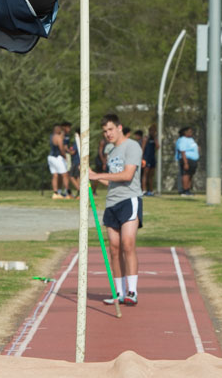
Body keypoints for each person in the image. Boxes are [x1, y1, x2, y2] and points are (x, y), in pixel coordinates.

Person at [89, 113, 144, 307]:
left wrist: (98, 175)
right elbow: (110, 181)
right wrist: (93, 176)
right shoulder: (110, 150)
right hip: (111, 202)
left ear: (119, 128)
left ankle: (132, 292)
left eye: (110, 129)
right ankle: (118, 293)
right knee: (114, 248)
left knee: (127, 244)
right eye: (104, 131)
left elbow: (127, 175)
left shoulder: (132, 146)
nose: (107, 134)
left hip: (129, 199)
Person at [175, 126, 199, 196]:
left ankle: (188, 189)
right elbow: (182, 151)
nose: (191, 133)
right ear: (184, 132)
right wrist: (185, 163)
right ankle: (184, 190)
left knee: (190, 175)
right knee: (186, 174)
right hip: (186, 159)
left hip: (193, 160)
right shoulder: (182, 139)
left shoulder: (191, 139)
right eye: (189, 131)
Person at [47, 124, 69, 200]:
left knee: (55, 175)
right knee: (65, 174)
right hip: (57, 157)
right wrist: (65, 156)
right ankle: (67, 192)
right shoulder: (58, 138)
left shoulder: (51, 136)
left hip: (50, 157)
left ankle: (56, 193)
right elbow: (61, 148)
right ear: (57, 130)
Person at [142, 125, 158, 197]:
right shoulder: (146, 138)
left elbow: (158, 147)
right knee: (145, 174)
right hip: (146, 158)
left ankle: (150, 190)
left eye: (154, 131)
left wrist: (155, 139)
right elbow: (142, 148)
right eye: (152, 131)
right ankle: (144, 190)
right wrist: (142, 158)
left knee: (151, 175)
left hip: (152, 158)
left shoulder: (155, 139)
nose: (153, 132)